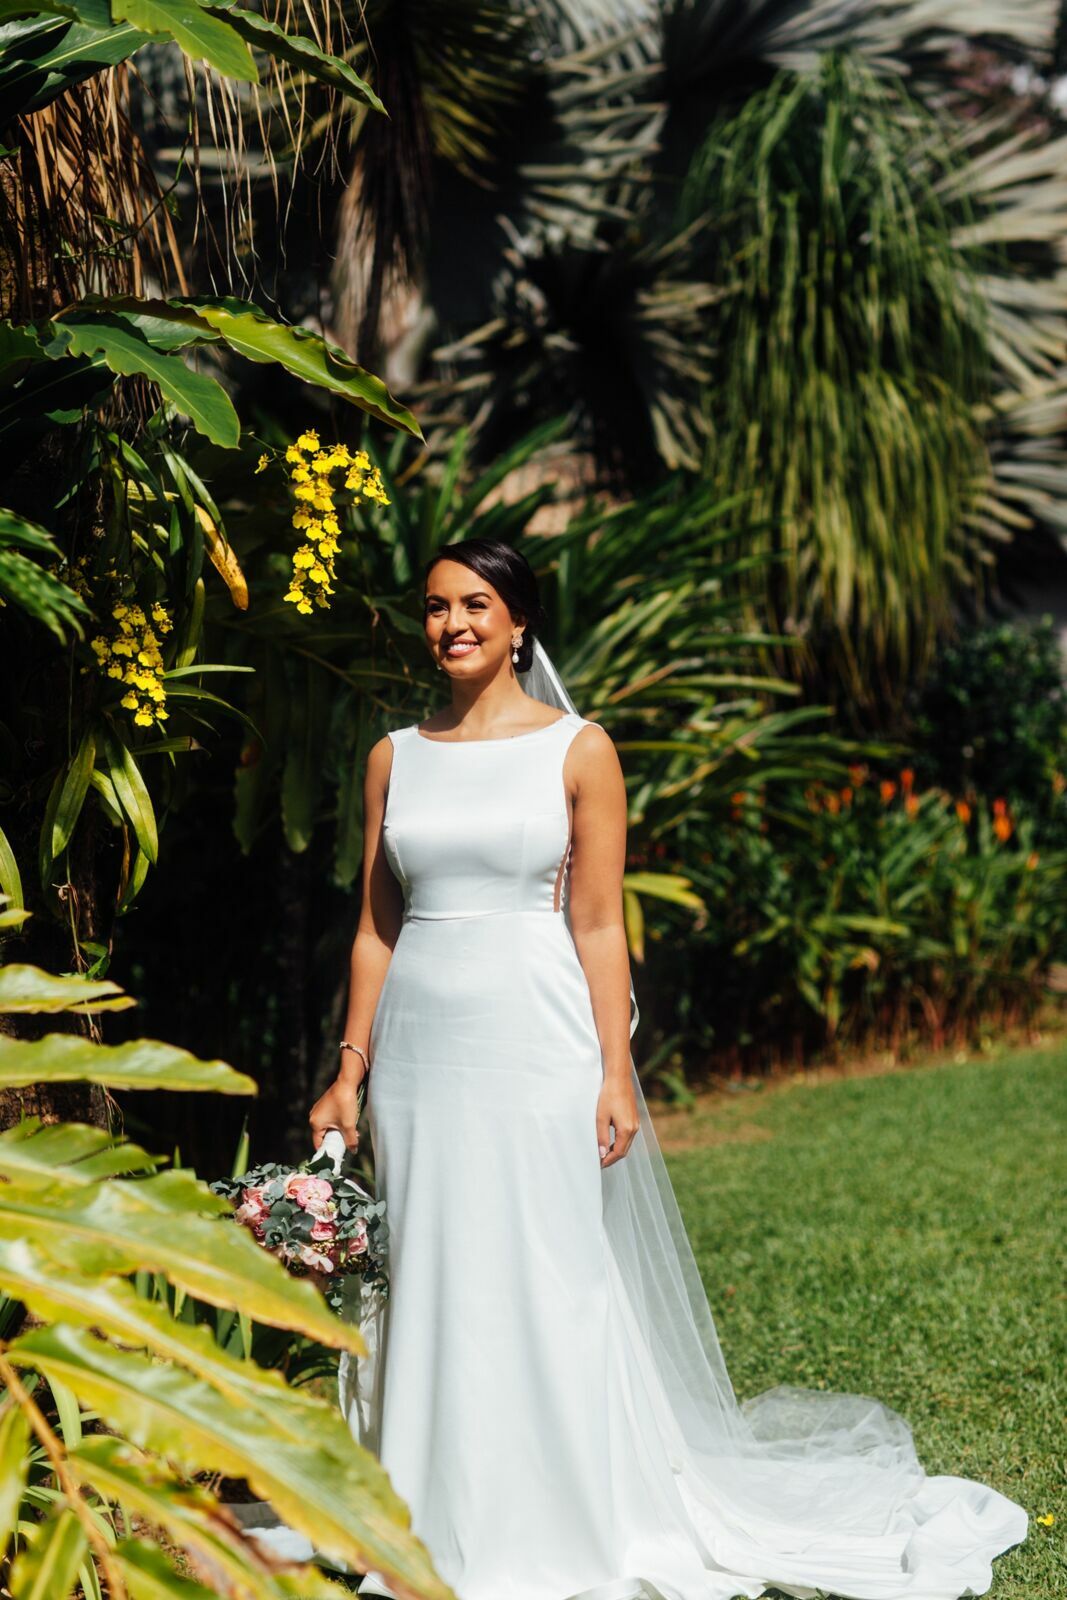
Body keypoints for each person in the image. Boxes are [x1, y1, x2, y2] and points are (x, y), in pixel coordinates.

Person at [309, 538, 1028, 1600]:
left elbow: (597, 923)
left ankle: (574, 1514)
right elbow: (375, 927)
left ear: (517, 622)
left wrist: (613, 1071)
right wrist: (349, 1069)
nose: (450, 623)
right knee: (433, 1266)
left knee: (549, 1267)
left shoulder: (578, 748)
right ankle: (427, 1506)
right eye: (432, 607)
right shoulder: (390, 756)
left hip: (535, 1037)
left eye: (473, 604)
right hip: (420, 1051)